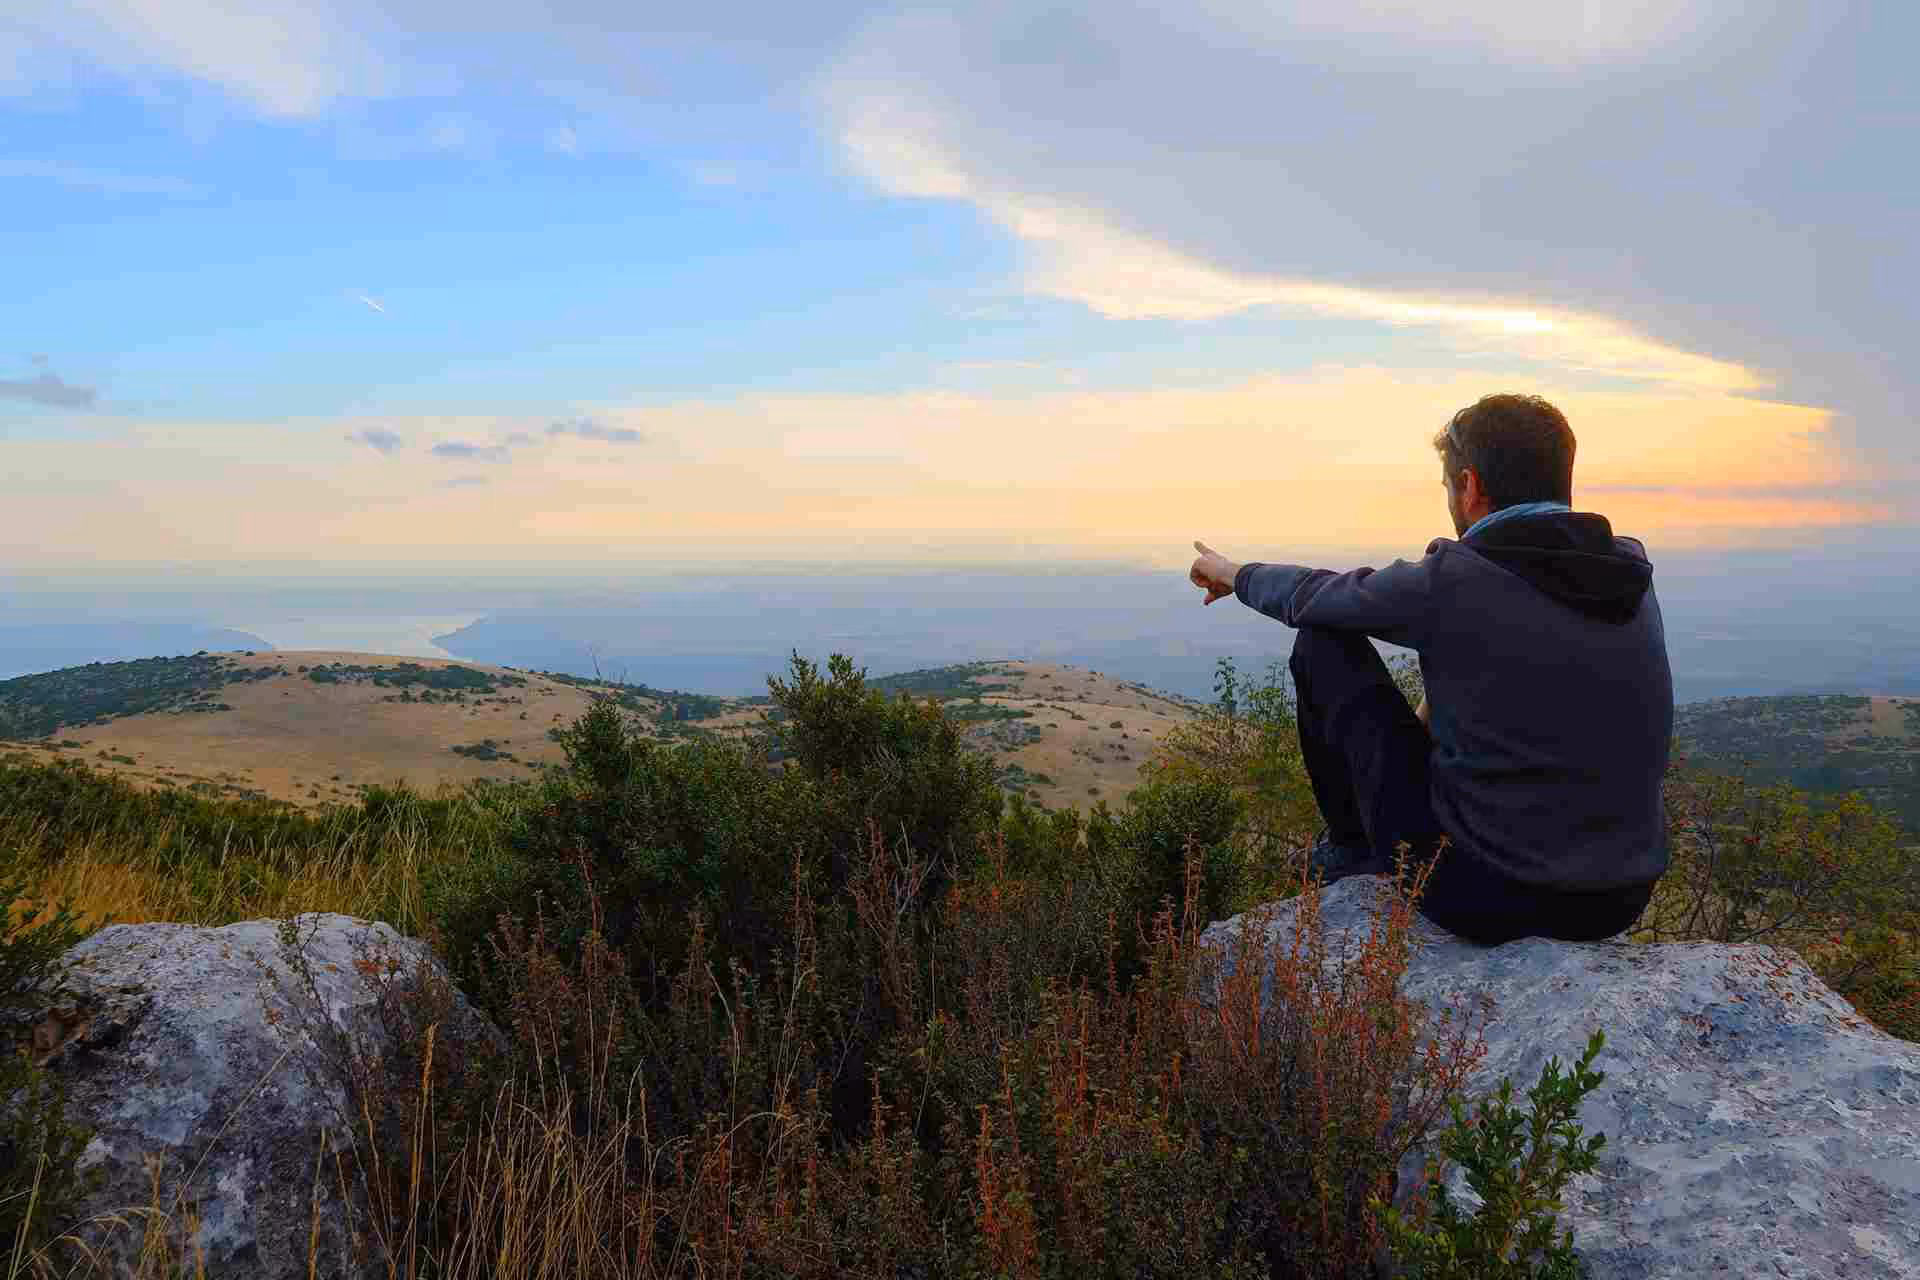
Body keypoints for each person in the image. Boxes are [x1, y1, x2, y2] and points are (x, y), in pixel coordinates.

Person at [1186, 393, 1672, 945]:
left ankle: (1351, 851)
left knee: (1323, 645)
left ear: (1469, 486)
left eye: (1447, 487)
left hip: (1488, 895)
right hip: (1620, 898)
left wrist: (1232, 572)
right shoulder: (1628, 568)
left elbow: (1315, 598)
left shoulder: (1459, 581)